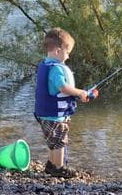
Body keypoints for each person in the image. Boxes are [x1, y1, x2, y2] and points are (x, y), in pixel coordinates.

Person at [34, 27, 90, 178]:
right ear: (58, 51)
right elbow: (63, 88)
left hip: (46, 114)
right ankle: (58, 168)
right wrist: (80, 93)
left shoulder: (45, 64)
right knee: (59, 142)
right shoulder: (57, 69)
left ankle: (51, 165)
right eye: (67, 52)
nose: (68, 56)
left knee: (53, 142)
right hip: (54, 116)